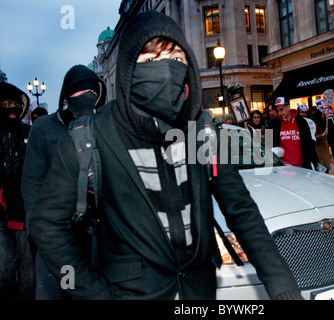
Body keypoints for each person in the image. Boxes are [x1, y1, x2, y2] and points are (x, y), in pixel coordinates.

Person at [27, 11, 302, 300]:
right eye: (150, 59)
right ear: (128, 66)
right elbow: (47, 223)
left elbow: (242, 211)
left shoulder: (201, 132)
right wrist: (89, 291)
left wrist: (281, 283)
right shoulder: (89, 138)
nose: (165, 69)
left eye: (176, 58)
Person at [22, 64, 107, 215]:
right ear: (67, 95)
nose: (88, 96)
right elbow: (33, 179)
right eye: (81, 91)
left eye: (93, 92)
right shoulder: (43, 127)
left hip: (101, 222)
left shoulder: (103, 125)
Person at [0, 81, 35, 299]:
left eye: (14, 104)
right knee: (3, 269)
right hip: (0, 213)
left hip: (24, 212)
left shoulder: (29, 133)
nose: (11, 109)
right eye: (5, 104)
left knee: (27, 271)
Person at [270, 97, 318, 169]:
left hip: (302, 166)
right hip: (282, 167)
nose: (279, 113)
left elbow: (309, 143)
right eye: (277, 110)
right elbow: (269, 146)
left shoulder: (301, 122)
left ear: (288, 107)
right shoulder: (273, 124)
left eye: (281, 109)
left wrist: (314, 161)